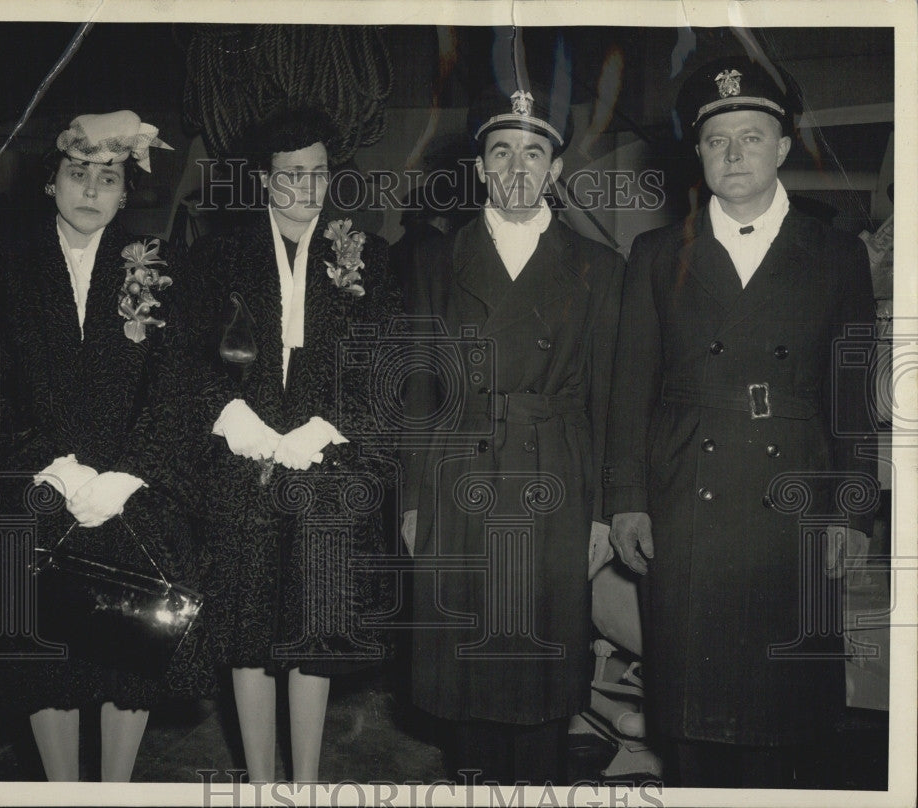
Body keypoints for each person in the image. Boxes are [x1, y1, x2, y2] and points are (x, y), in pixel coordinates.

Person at [600, 55, 877, 788]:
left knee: (793, 719)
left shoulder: (837, 253)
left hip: (801, 505)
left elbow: (852, 393)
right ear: (697, 152)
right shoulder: (657, 254)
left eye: (750, 137)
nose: (733, 154)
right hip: (689, 496)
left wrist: (854, 508)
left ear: (783, 146)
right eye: (717, 139)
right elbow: (631, 388)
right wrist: (627, 498)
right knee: (693, 719)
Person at [132, 107, 401, 783]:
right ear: (262, 180)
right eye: (289, 175)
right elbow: (180, 363)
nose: (304, 188)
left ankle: (304, 784)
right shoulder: (215, 255)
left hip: (323, 469)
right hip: (239, 469)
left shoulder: (368, 254)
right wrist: (234, 418)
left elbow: (382, 362)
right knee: (245, 629)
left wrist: (324, 428)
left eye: (316, 173)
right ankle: (258, 783)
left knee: (311, 626)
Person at [401, 80, 625, 785]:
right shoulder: (434, 263)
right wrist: (409, 500)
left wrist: (601, 512)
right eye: (502, 152)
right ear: (479, 168)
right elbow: (414, 393)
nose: (517, 168)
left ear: (554, 170)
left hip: (556, 475)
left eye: (534, 153)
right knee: (467, 666)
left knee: (541, 666)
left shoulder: (599, 268)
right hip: (457, 476)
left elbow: (611, 399)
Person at [0, 110, 212, 781]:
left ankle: (114, 791)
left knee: (125, 654)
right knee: (44, 654)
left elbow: (180, 384)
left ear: (124, 190)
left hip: (127, 496)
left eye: (106, 176)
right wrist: (50, 465)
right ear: (50, 183)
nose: (90, 188)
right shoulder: (7, 271)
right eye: (76, 173)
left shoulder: (163, 268)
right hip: (41, 488)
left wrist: (127, 474)